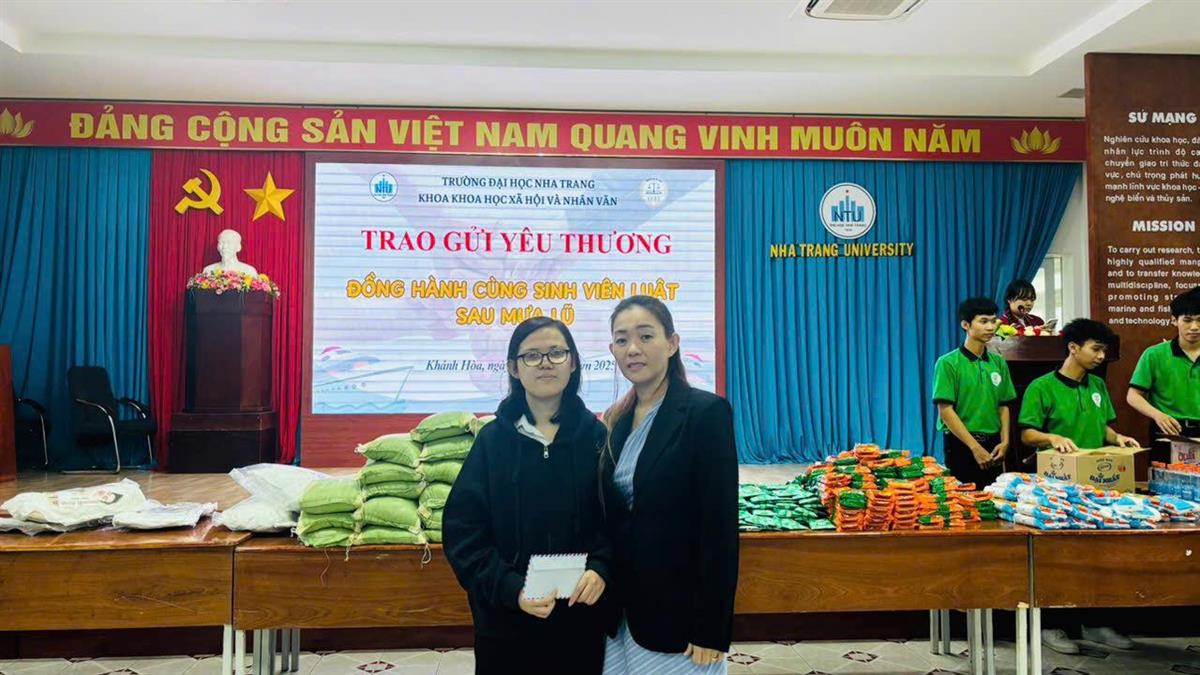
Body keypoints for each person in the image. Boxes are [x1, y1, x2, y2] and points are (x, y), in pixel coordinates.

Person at [443, 317, 612, 675]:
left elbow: (616, 520)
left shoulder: (597, 438)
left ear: (573, 362)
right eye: (532, 355)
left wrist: (601, 568)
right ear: (513, 368)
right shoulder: (492, 442)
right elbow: (463, 532)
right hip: (506, 625)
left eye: (556, 353)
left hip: (580, 621)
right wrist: (511, 589)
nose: (546, 363)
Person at [599, 296, 738, 674]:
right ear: (612, 350)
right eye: (622, 340)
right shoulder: (615, 420)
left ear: (672, 343)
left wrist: (711, 628)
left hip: (679, 621)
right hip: (621, 616)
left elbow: (719, 529)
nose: (633, 349)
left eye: (646, 336)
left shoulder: (705, 413)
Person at [1019, 318, 1139, 654]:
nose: (1101, 356)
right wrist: (1052, 437)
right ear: (1073, 348)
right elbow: (1027, 434)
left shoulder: (1097, 386)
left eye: (1104, 350)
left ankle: (1095, 623)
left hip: (1098, 485)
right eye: (1096, 349)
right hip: (1058, 487)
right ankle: (1052, 626)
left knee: (1099, 555)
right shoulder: (1041, 387)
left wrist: (1118, 437)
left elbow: (1104, 428)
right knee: (1057, 556)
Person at [932, 297, 1016, 487]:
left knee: (992, 499)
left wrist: (1005, 442)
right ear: (966, 325)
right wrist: (975, 447)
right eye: (983, 321)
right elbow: (945, 411)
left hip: (994, 445)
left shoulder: (998, 362)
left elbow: (1003, 406)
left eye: (993, 321)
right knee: (964, 500)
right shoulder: (947, 363)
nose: (990, 327)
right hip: (961, 444)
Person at [1127, 286, 1200, 459]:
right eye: (1187, 320)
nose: (1194, 327)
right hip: (1168, 431)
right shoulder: (1154, 354)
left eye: (1199, 320)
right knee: (1164, 477)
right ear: (1174, 320)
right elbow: (1133, 396)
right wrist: (1158, 415)